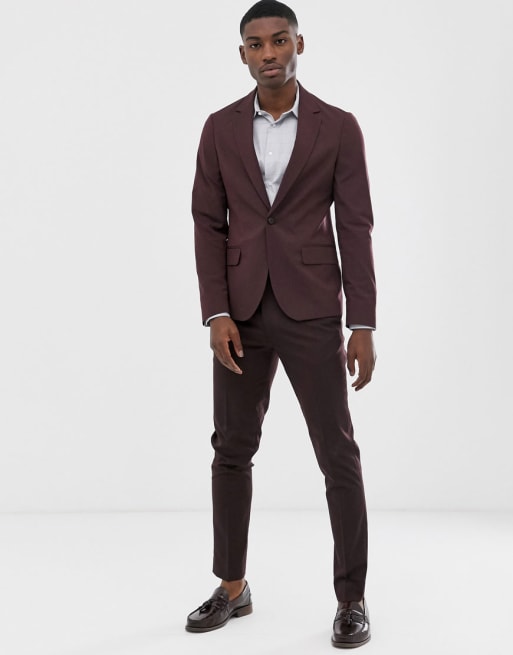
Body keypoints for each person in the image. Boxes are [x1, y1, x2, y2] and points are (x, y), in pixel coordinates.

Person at [186, 0, 377, 648]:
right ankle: (232, 587)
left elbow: (355, 225)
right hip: (239, 313)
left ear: (299, 44)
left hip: (313, 308)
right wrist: (216, 311)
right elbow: (208, 223)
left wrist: (362, 321)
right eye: (255, 43)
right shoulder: (218, 128)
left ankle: (351, 598)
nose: (268, 53)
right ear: (241, 53)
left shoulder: (338, 126)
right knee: (231, 449)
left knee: (337, 453)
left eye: (278, 40)